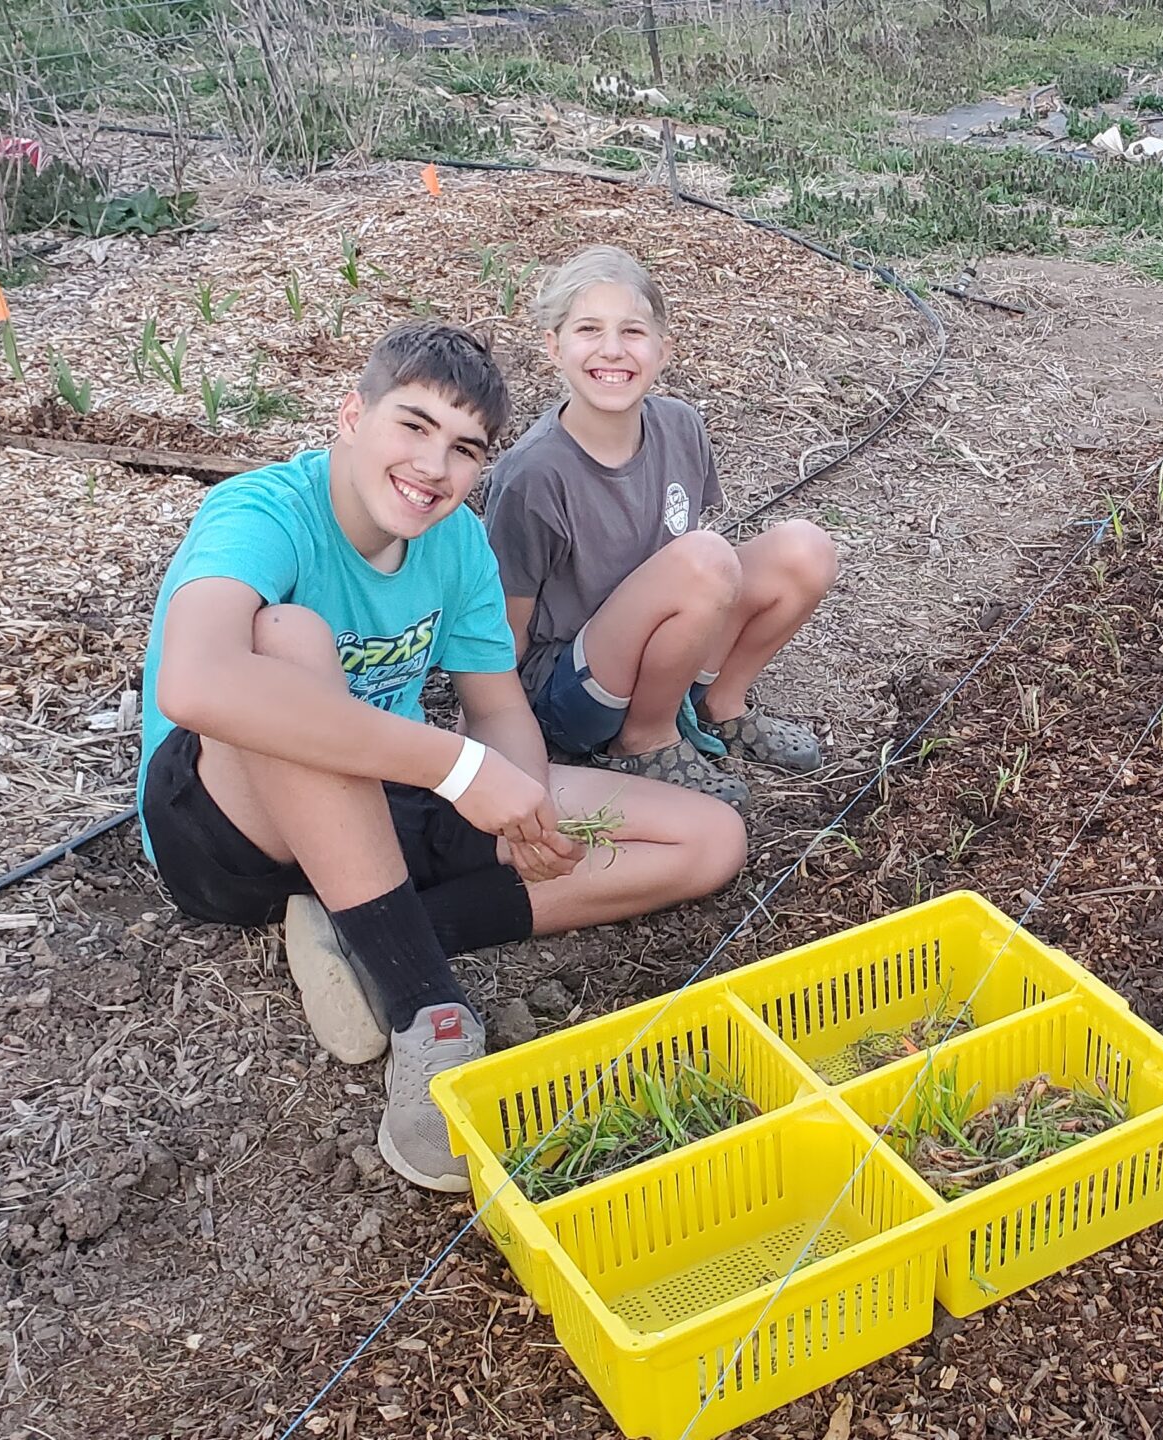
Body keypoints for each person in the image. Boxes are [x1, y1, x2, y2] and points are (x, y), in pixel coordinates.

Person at [137, 321, 748, 1192]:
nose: (434, 467)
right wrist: (457, 771)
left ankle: (359, 936)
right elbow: (195, 685)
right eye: (413, 426)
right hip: (228, 828)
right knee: (285, 639)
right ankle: (426, 1008)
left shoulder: (457, 542)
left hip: (382, 793)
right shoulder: (263, 509)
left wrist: (523, 804)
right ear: (352, 415)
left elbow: (497, 705)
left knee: (707, 839)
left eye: (465, 449)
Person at [484, 245, 838, 811]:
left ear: (663, 349)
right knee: (705, 560)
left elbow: (685, 566)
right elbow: (506, 631)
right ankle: (644, 742)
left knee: (806, 549)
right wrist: (490, 730)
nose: (612, 350)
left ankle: (721, 706)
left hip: (657, 648)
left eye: (633, 331)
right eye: (588, 329)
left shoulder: (680, 425)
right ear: (554, 347)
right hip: (573, 688)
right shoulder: (534, 475)